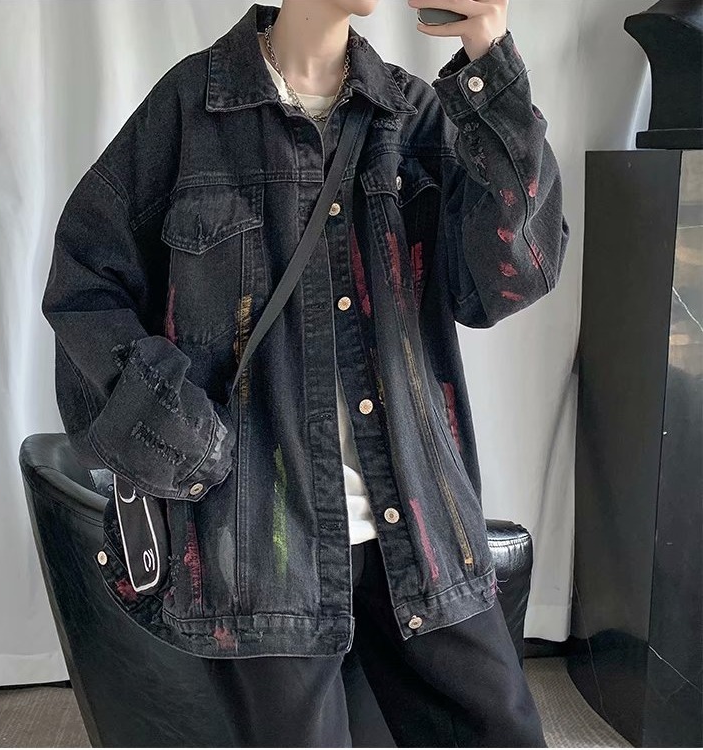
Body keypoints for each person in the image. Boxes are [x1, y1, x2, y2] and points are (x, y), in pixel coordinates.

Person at [42, 0, 569, 746]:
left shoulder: (411, 116)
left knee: (502, 731)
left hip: (418, 523)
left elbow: (511, 277)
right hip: (264, 543)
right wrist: (186, 443)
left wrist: (490, 56)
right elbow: (84, 284)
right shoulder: (192, 111)